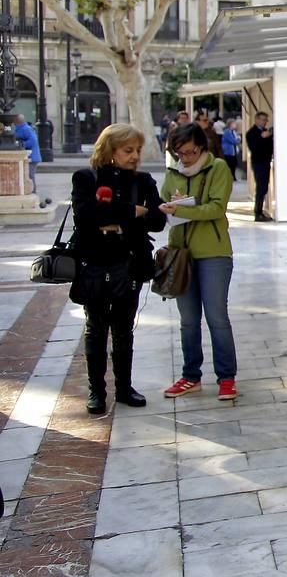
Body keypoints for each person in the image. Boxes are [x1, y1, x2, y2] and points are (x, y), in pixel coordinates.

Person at [71, 123, 166, 415]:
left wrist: (115, 218)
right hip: (94, 262)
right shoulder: (86, 178)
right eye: (128, 150)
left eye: (137, 150)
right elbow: (85, 216)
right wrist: (130, 212)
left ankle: (124, 388)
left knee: (124, 329)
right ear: (110, 150)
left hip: (130, 262)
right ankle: (96, 392)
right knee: (96, 328)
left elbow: (157, 221)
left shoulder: (145, 181)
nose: (135, 155)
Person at [160, 123, 239, 401]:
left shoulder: (217, 168)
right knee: (188, 320)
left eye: (191, 152)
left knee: (217, 317)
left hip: (213, 252)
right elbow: (164, 204)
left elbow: (217, 208)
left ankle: (227, 377)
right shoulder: (172, 173)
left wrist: (182, 208)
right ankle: (190, 375)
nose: (186, 158)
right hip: (181, 253)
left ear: (202, 147)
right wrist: (168, 208)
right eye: (180, 153)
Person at [245, 112, 274, 221]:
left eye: (266, 120)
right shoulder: (251, 133)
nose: (265, 122)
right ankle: (258, 213)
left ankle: (261, 211)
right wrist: (262, 138)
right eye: (263, 119)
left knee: (264, 187)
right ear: (257, 119)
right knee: (261, 188)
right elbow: (254, 148)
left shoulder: (265, 132)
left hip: (266, 162)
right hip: (259, 163)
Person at [13, 114, 41, 197]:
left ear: (17, 121)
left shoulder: (26, 129)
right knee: (27, 175)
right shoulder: (22, 128)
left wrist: (21, 144)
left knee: (30, 176)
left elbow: (33, 141)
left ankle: (33, 193)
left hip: (31, 157)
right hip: (30, 157)